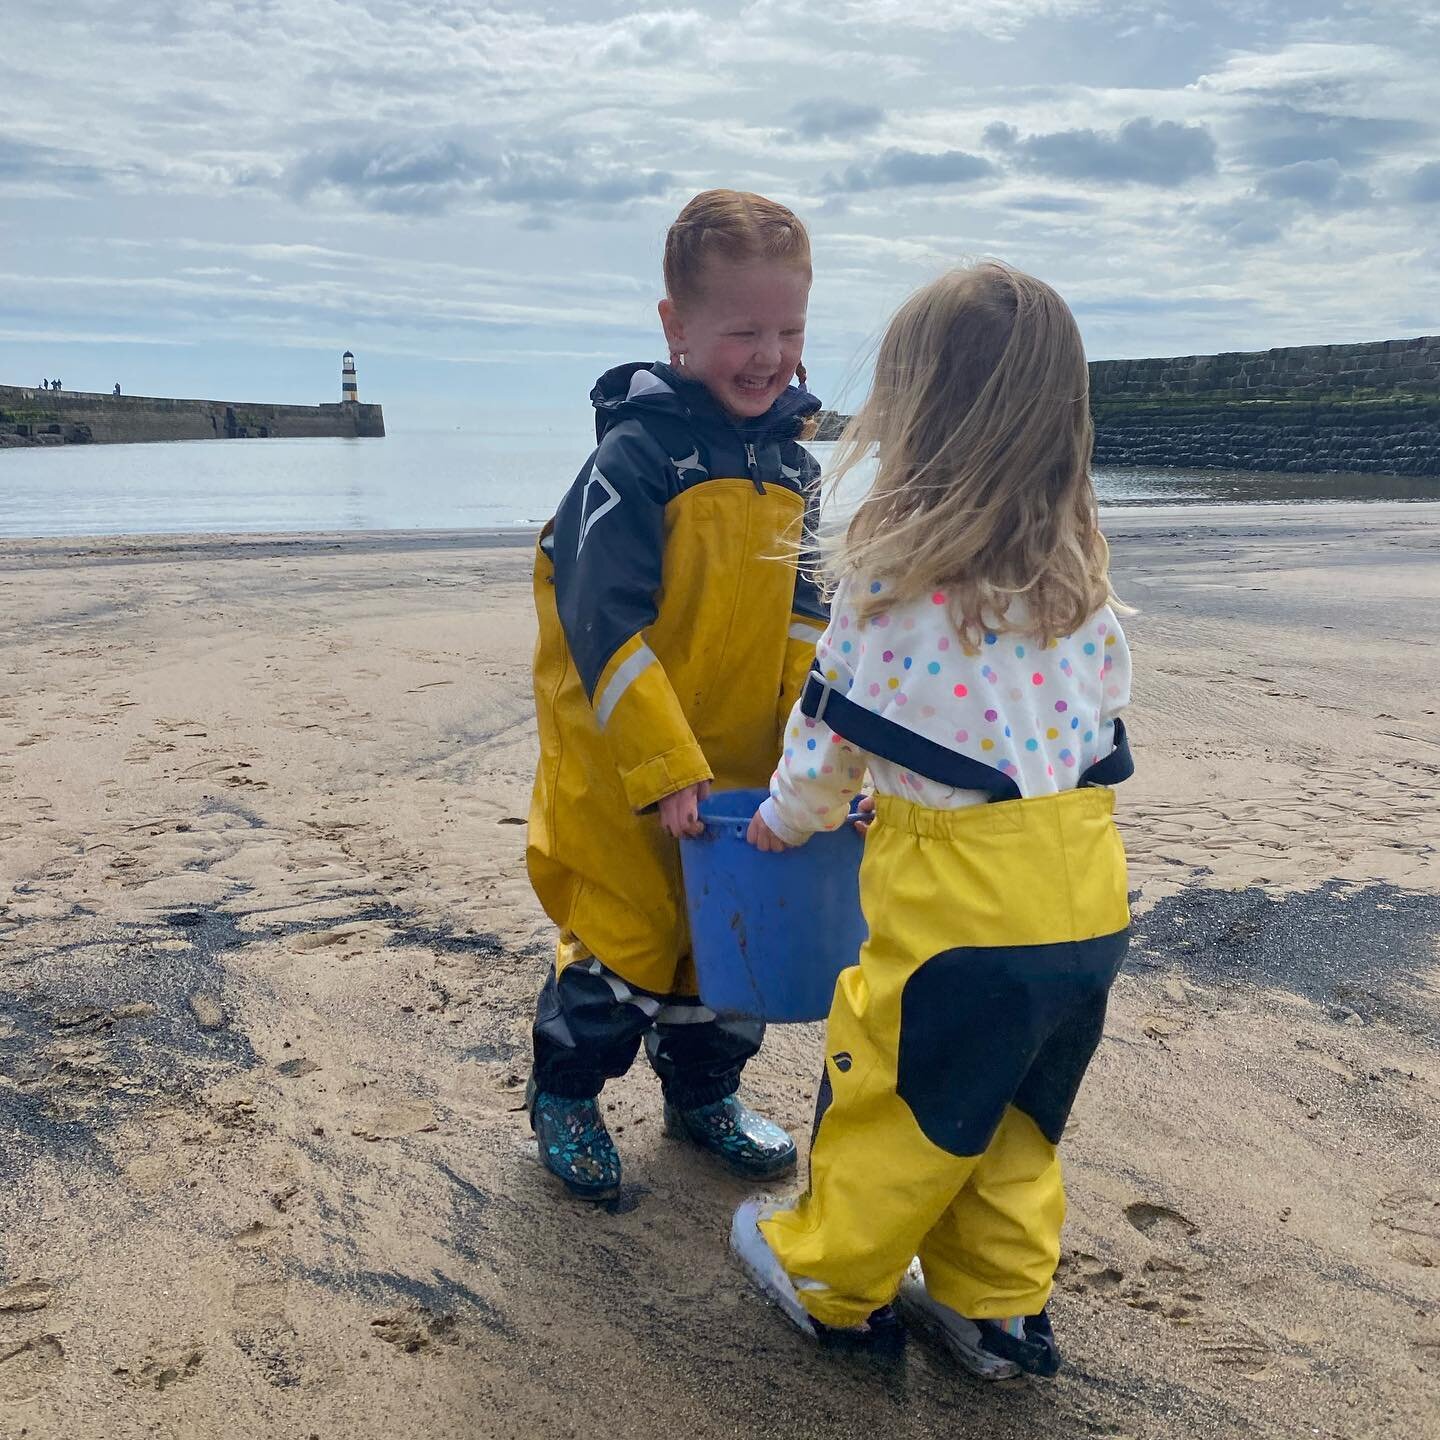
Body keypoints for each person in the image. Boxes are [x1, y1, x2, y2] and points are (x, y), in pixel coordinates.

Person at [730, 262, 1135, 1374]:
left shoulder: (891, 592)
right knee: (1014, 1116)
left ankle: (835, 1278)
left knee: (898, 1105)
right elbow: (1069, 740)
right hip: (1083, 900)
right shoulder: (1079, 592)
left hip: (959, 917)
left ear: (914, 422)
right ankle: (1001, 1307)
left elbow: (826, 740)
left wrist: (784, 820)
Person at [525, 189, 827, 1200]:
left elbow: (806, 620)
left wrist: (812, 751)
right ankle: (566, 1094)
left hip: (743, 764)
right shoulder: (635, 458)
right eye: (742, 330)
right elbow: (601, 625)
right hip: (628, 764)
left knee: (727, 959)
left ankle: (702, 1096)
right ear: (677, 328)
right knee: (626, 949)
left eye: (788, 329)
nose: (768, 354)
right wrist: (661, 769)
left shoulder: (794, 464)